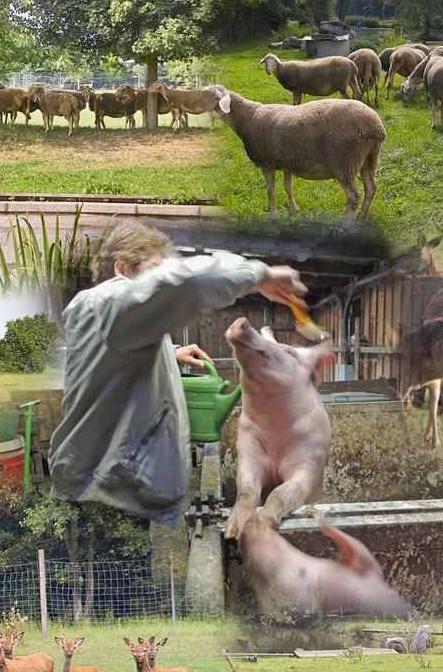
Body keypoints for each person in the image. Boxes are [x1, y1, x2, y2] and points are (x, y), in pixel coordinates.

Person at [48, 220, 306, 525]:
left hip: (109, 487)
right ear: (122, 269)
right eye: (155, 267)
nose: (162, 273)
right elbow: (178, 284)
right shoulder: (106, 302)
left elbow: (110, 364)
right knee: (117, 574)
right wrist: (259, 275)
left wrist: (170, 354)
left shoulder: (116, 319)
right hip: (106, 496)